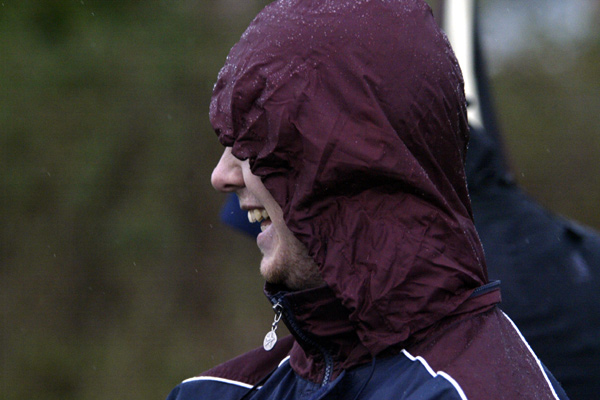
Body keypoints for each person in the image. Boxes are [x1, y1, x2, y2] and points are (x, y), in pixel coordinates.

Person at [167, 1, 569, 399]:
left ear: (344, 158)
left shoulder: (477, 392)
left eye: (255, 141)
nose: (221, 176)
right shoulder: (212, 393)